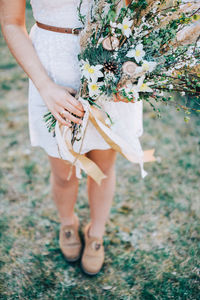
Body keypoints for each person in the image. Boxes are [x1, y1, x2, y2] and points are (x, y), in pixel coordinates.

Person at [0, 0, 146, 275]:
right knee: (62, 170)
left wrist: (128, 69)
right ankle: (68, 223)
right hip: (52, 71)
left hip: (113, 65)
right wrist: (44, 86)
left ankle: (96, 234)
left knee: (103, 166)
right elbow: (11, 22)